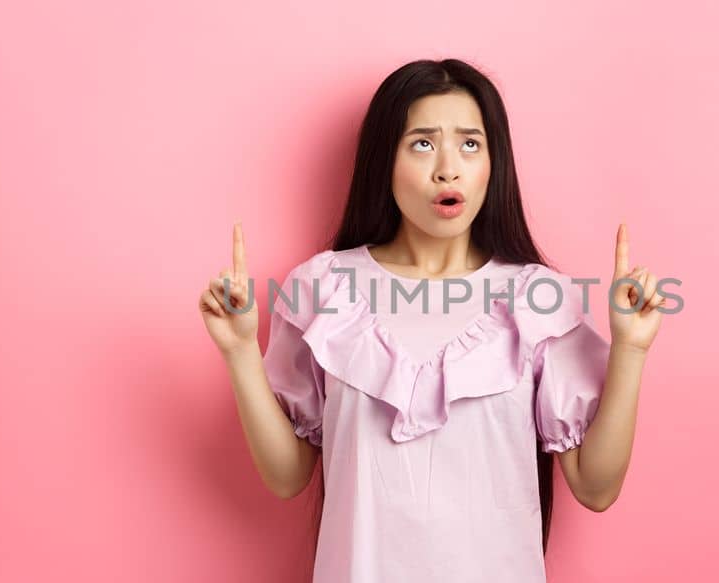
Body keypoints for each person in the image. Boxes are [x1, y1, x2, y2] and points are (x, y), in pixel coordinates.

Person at [199, 58, 666, 583]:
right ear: (384, 161)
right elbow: (287, 477)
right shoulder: (322, 289)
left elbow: (596, 488)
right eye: (423, 143)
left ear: (495, 163)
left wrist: (631, 349)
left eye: (470, 144)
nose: (449, 167)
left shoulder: (537, 299)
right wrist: (239, 351)